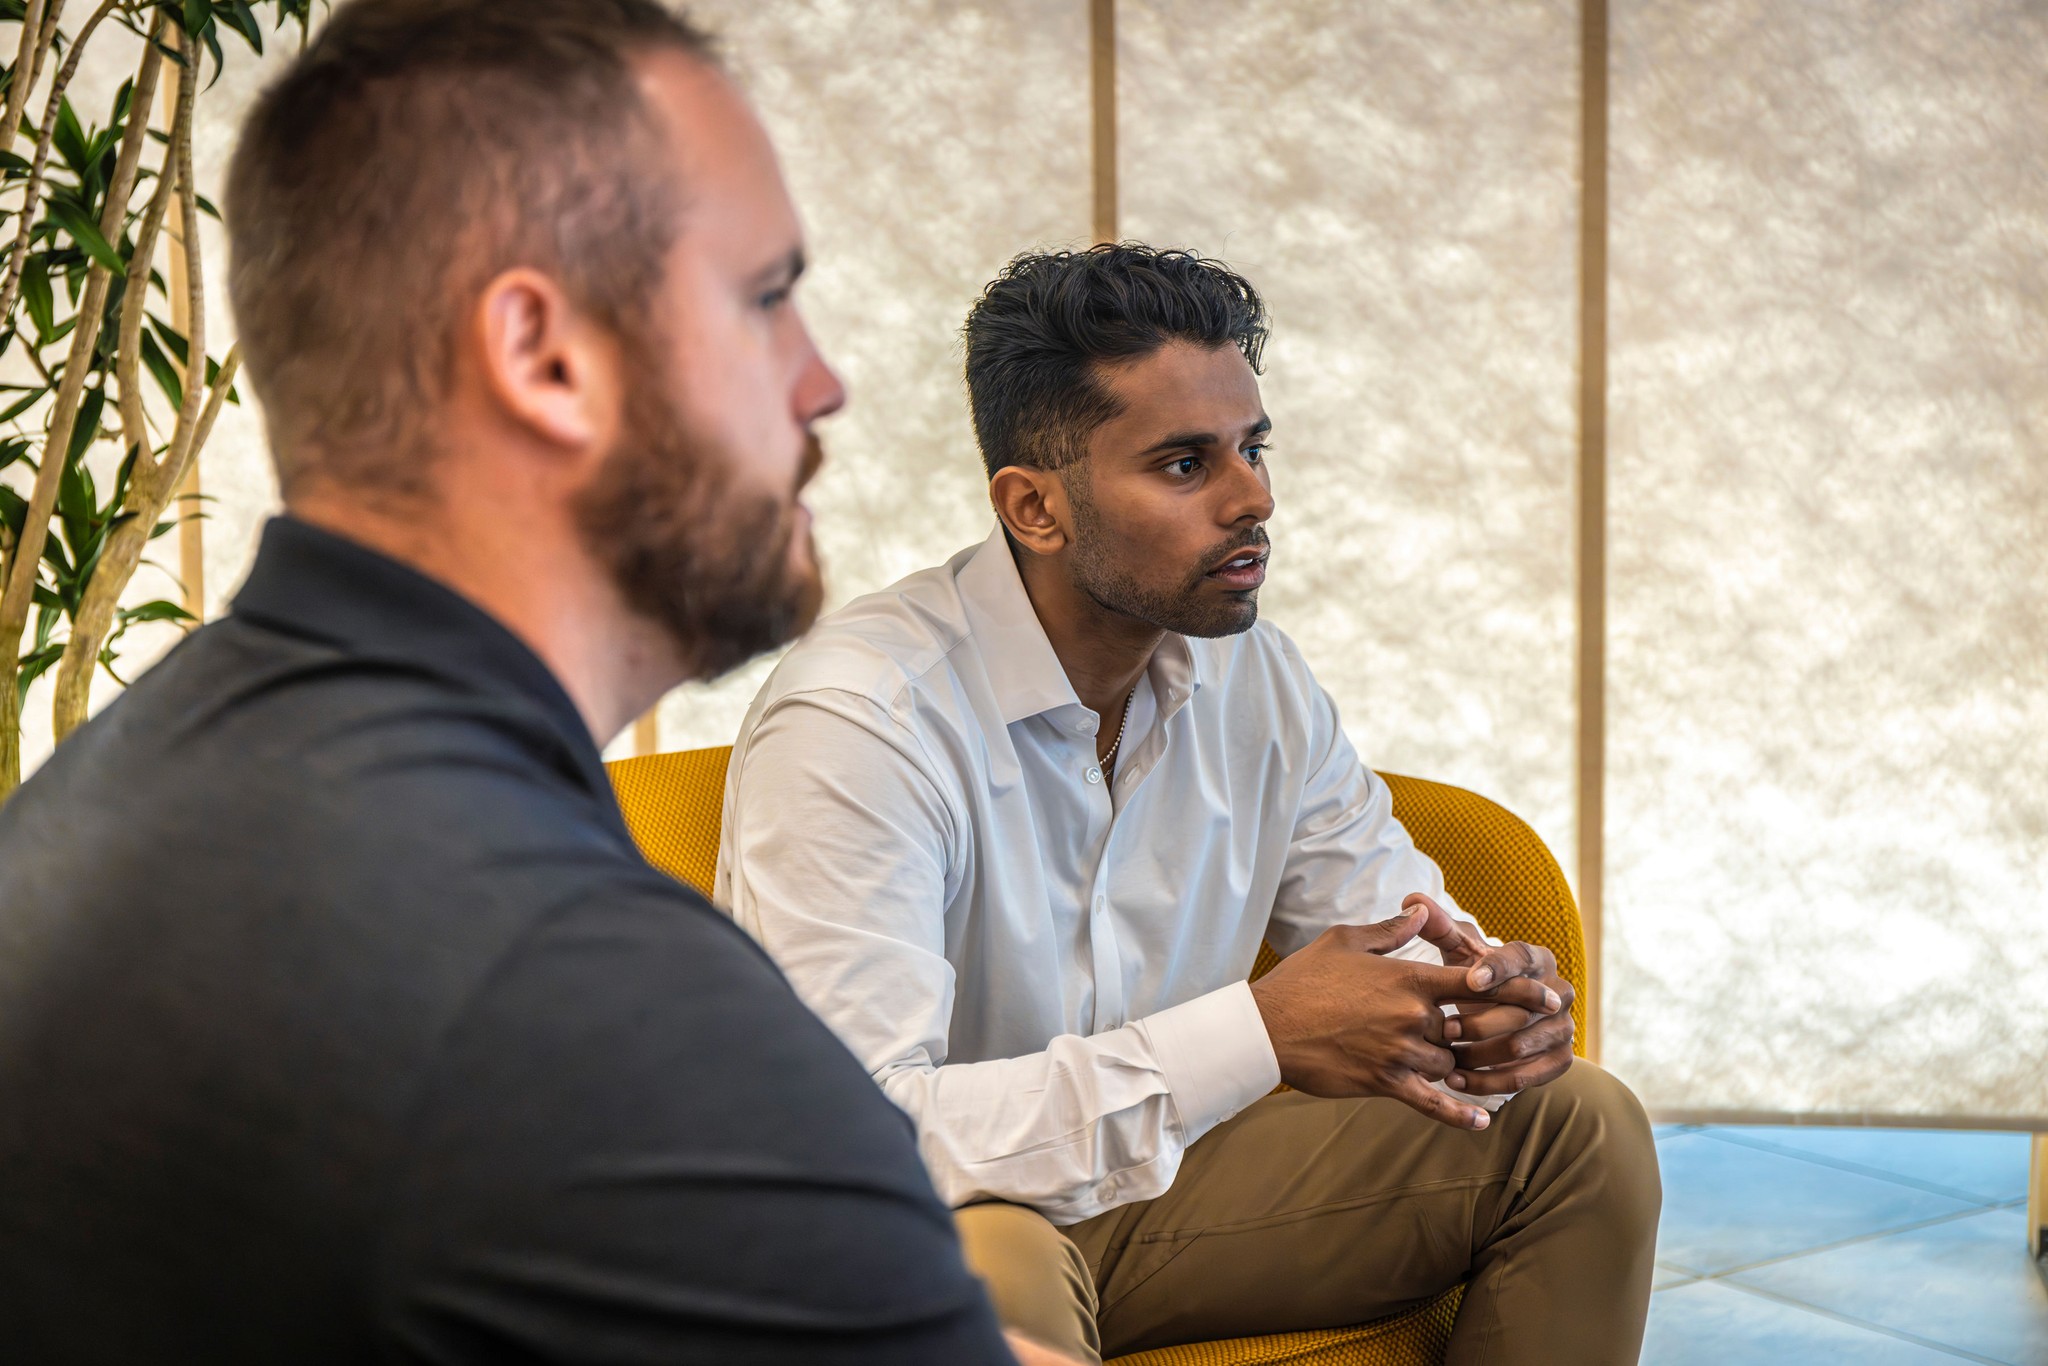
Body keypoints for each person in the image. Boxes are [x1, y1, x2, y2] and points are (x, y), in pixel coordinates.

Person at [0, 3, 1068, 1361]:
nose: (822, 383)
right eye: (764, 298)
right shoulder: (589, 1012)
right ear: (545, 358)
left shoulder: (110, 796)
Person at [718, 243, 1664, 1364]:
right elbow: (850, 1141)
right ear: (1034, 508)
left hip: (1167, 1191)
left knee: (1580, 1127)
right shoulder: (863, 719)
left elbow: (1395, 937)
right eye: (1183, 464)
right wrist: (1254, 1033)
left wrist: (1479, 1008)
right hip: (937, 1214)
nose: (1252, 497)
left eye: (1251, 448)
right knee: (993, 1266)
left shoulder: (1253, 676)